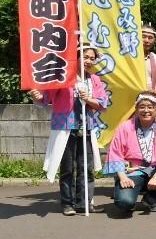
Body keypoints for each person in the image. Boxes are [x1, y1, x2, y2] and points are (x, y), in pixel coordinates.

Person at [29, 44, 108, 215]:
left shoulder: (94, 80)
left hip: (86, 126)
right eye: (85, 57)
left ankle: (84, 202)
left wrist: (90, 99)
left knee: (86, 167)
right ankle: (67, 203)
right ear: (76, 57)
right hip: (65, 127)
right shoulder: (61, 76)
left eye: (92, 58)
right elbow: (45, 99)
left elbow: (102, 104)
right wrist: (38, 96)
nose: (88, 61)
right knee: (67, 167)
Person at [104, 92, 156, 214]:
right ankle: (126, 195)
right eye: (142, 107)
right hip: (133, 172)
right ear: (136, 108)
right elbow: (115, 153)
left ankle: (151, 198)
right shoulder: (125, 127)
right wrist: (123, 177)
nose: (146, 110)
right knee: (124, 203)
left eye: (150, 107)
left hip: (155, 171)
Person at [142, 23, 156, 95]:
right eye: (143, 36)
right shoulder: (128, 58)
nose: (146, 40)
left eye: (150, 38)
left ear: (154, 40)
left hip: (151, 102)